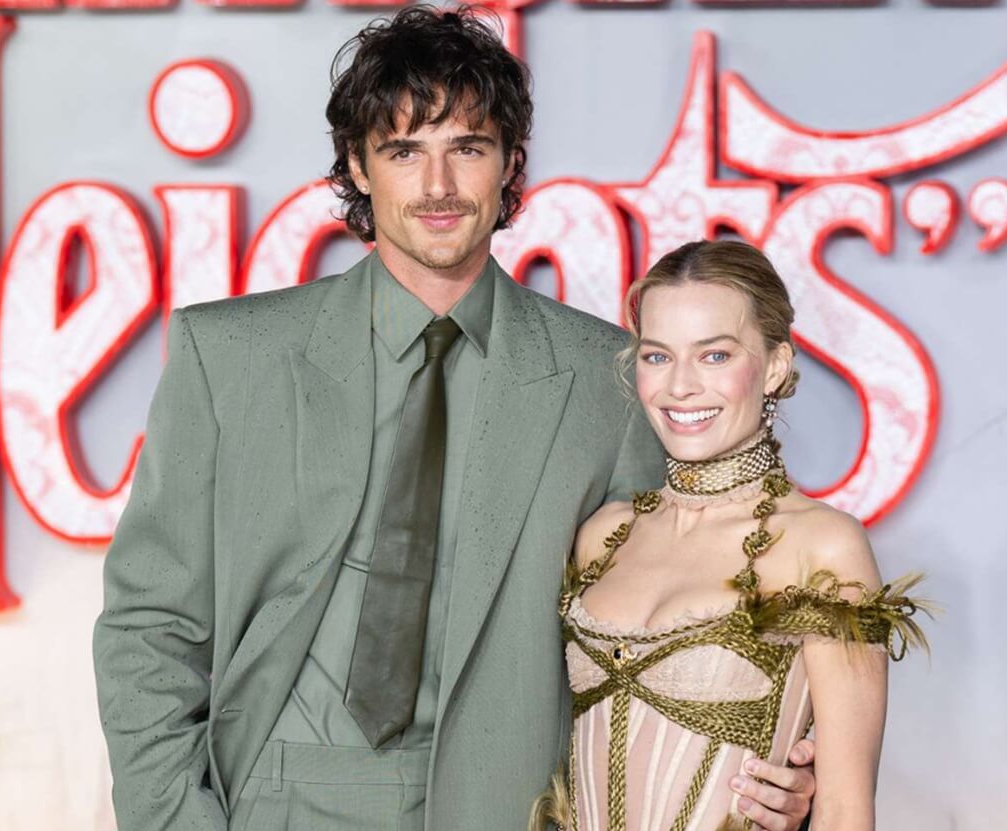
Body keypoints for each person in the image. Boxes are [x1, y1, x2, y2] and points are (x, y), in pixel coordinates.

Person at [93, 8, 816, 830]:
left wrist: (779, 761)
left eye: (467, 148)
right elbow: (151, 624)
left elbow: (684, 616)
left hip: (517, 807)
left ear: (510, 163)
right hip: (274, 795)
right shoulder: (228, 358)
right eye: (404, 150)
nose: (437, 187)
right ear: (359, 169)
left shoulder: (608, 376)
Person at [533, 240, 928, 831]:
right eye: (657, 356)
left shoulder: (822, 546)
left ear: (774, 366)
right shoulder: (603, 535)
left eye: (714, 356)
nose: (680, 387)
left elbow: (846, 811)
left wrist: (803, 804)